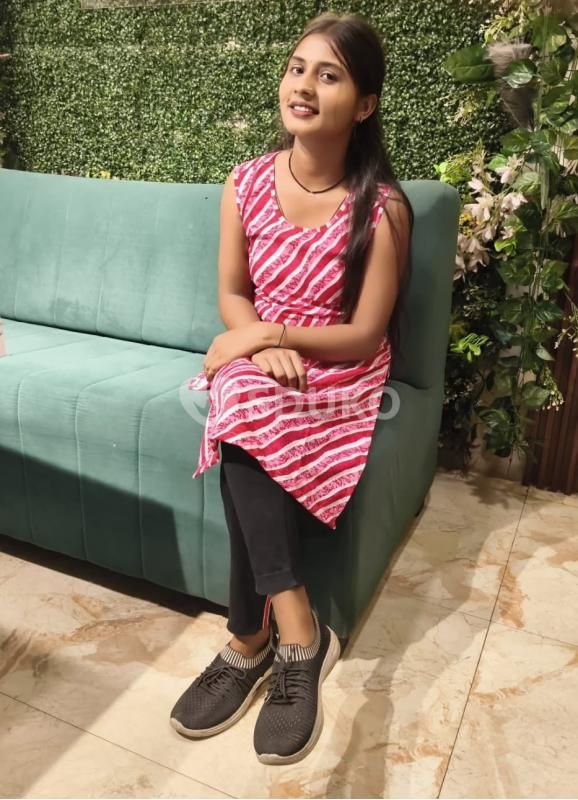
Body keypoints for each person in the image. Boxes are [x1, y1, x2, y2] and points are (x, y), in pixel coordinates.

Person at [170, 11, 413, 765]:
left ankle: (253, 638)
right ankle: (295, 632)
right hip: (262, 358)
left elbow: (365, 335)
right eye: (296, 68)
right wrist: (254, 340)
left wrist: (272, 338)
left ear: (364, 104)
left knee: (238, 391)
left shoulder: (382, 208)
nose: (303, 86)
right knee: (242, 394)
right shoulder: (244, 182)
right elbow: (232, 294)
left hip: (336, 368)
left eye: (328, 75)